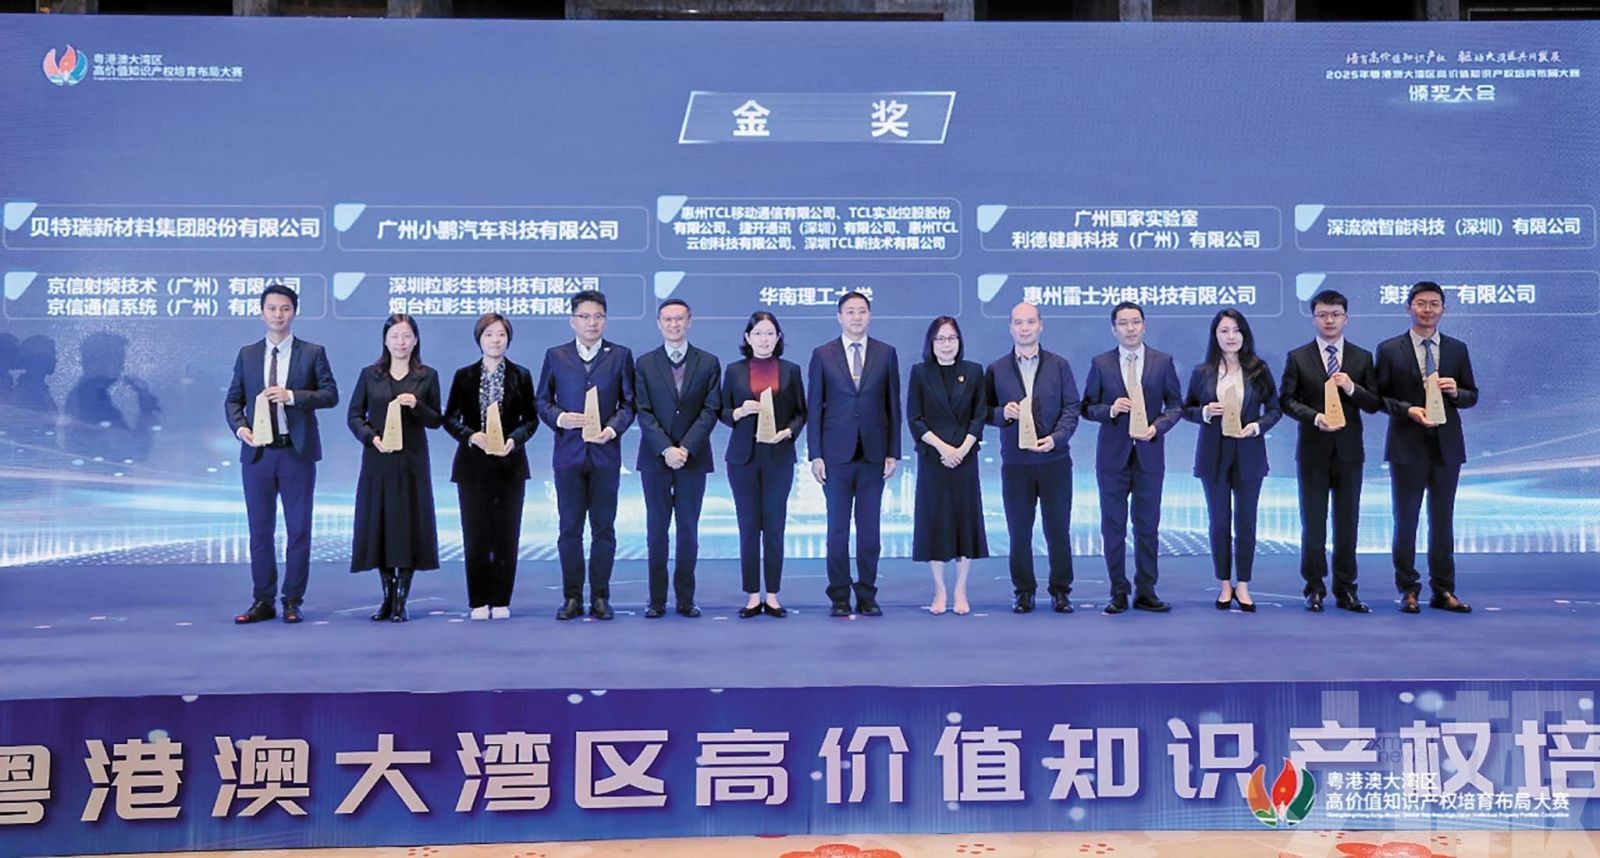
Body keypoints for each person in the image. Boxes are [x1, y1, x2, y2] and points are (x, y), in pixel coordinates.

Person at [224, 284, 338, 625]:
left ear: (294, 312)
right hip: (257, 455)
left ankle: (292, 600)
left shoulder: (312, 352)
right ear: (262, 312)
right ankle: (263, 600)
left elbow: (330, 395)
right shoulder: (247, 354)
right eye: (272, 308)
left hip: (295, 453)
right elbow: (233, 400)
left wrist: (292, 396)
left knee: (298, 530)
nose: (278, 314)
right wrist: (241, 429)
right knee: (260, 531)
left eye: (285, 308)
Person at [1375, 281, 1477, 614]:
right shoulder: (1389, 349)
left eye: (1434, 304)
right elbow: (1379, 398)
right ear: (1409, 307)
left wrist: (1456, 392)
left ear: (1443, 309)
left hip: (1446, 447)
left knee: (1442, 521)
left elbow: (1472, 395)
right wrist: (1408, 410)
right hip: (1407, 444)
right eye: (1421, 303)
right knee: (1406, 521)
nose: (1427, 309)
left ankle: (1443, 590)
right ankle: (1408, 589)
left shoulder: (1457, 349)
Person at [1280, 290, 1382, 613]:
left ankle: (1346, 588)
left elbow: (1374, 403)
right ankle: (1314, 587)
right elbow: (1286, 400)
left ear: (1346, 319)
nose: (1329, 320)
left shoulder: (1362, 357)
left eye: (1335, 314)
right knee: (1313, 524)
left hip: (1349, 452)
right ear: (1314, 319)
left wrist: (1351, 387)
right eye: (1322, 315)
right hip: (1313, 450)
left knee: (1347, 523)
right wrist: (1314, 417)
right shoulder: (1298, 357)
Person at [536, 290, 635, 621]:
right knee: (569, 529)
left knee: (604, 529)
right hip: (569, 455)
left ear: (605, 320)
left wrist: (613, 429)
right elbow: (542, 400)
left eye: (598, 317)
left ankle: (601, 597)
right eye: (585, 317)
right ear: (572, 321)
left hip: (605, 454)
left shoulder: (620, 355)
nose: (592, 323)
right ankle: (572, 597)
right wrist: (561, 418)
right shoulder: (556, 355)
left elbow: (629, 403)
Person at [1080, 301, 1184, 615]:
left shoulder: (1162, 362)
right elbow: (1087, 407)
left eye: (1135, 322)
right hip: (1113, 459)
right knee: (1113, 527)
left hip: (1149, 456)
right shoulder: (1101, 363)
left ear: (1144, 325)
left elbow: (1175, 406)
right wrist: (1110, 410)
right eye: (1123, 323)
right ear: (1114, 329)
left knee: (1147, 527)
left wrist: (1157, 427)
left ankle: (1146, 591)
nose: (1130, 328)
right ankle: (1118, 592)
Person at [807, 291, 902, 617]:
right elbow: (814, 407)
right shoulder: (823, 354)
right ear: (839, 317)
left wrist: (893, 452)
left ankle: (867, 594)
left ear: (870, 315)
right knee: (837, 532)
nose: (856, 317)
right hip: (835, 457)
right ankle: (838, 596)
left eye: (862, 311)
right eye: (850, 311)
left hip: (873, 455)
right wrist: (815, 454)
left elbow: (893, 405)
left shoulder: (886, 353)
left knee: (870, 532)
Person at [1183, 309, 1282, 612]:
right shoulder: (1202, 372)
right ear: (1215, 336)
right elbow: (1186, 408)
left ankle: (1244, 584)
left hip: (1249, 452)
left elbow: (1275, 409)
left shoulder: (1259, 370)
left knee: (1246, 522)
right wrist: (1204, 412)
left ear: (1244, 334)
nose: (1230, 336)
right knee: (1219, 522)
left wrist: (1256, 427)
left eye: (1236, 330)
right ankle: (1225, 584)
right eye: (1224, 331)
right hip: (1213, 454)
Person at [984, 302, 1080, 614]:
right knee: (1019, 532)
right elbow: (983, 411)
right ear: (1010, 328)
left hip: (1055, 462)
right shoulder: (996, 369)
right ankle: (1023, 592)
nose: (1024, 328)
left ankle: (1061, 591)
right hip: (1016, 464)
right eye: (1018, 323)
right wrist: (1003, 413)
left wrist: (1056, 439)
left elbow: (1072, 408)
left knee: (1058, 530)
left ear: (1041, 325)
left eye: (1029, 322)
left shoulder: (1059, 365)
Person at [347, 313, 443, 623]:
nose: (401, 342)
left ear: (415, 340)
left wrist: (417, 405)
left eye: (406, 336)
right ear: (385, 341)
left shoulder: (427, 376)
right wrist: (371, 438)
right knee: (381, 526)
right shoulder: (370, 375)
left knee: (409, 526)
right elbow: (354, 416)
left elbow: (436, 420)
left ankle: (401, 599)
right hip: (379, 461)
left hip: (411, 463)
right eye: (395, 336)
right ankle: (387, 595)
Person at [443, 312, 538, 621]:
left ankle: (501, 599)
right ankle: (478, 600)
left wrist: (514, 440)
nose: (495, 340)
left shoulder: (521, 375)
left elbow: (531, 420)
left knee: (506, 535)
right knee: (476, 535)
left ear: (508, 339)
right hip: (473, 466)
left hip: (510, 465)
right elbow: (450, 418)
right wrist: (471, 436)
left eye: (501, 334)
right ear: (479, 339)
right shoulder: (464, 376)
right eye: (489, 334)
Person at [634, 299, 721, 619]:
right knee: (656, 531)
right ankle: (656, 600)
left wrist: (685, 448)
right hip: (655, 459)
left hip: (693, 459)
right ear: (659, 323)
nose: (674, 324)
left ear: (689, 321)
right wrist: (666, 449)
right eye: (668, 319)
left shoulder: (708, 362)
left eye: (679, 319)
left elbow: (710, 409)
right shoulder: (645, 363)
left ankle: (686, 598)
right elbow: (643, 411)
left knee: (688, 530)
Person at [721, 312, 806, 618]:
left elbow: (801, 412)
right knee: (748, 527)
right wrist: (739, 412)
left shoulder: (790, 370)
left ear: (778, 337)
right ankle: (752, 596)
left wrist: (788, 432)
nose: (764, 339)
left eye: (770, 333)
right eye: (758, 333)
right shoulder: (734, 371)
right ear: (748, 338)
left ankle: (772, 595)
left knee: (774, 526)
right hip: (742, 458)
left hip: (778, 456)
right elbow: (722, 411)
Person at [908, 316, 989, 616]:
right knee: (935, 523)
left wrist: (961, 449)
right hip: (934, 459)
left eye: (951, 338)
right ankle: (940, 590)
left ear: (959, 341)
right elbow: (915, 418)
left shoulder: (974, 371)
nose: (946, 344)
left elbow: (978, 416)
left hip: (965, 459)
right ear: (931, 343)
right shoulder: (920, 373)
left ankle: (960, 591)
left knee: (964, 522)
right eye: (940, 339)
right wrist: (943, 448)